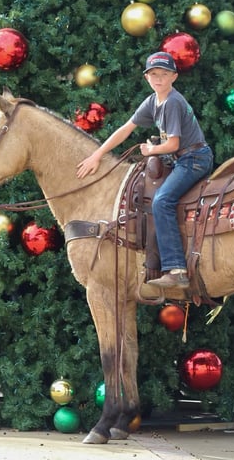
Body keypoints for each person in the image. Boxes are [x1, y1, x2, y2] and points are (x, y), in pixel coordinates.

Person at [76, 51, 214, 289]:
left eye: (164, 74)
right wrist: (97, 154)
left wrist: (151, 151)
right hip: (180, 159)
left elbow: (173, 144)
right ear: (147, 78)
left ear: (174, 77)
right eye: (153, 74)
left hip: (193, 159)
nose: (158, 79)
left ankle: (176, 268)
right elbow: (126, 128)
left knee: (162, 201)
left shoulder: (171, 102)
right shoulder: (153, 101)